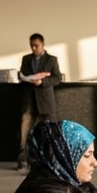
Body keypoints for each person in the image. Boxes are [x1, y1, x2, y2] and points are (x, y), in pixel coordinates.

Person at [17, 33, 61, 171]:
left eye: (36, 45)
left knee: (49, 130)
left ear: (43, 45)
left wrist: (42, 81)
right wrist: (24, 78)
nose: (34, 48)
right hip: (29, 100)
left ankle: (52, 160)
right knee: (25, 131)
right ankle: (23, 161)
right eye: (32, 46)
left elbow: (57, 78)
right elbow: (22, 75)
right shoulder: (26, 59)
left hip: (45, 100)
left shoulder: (51, 59)